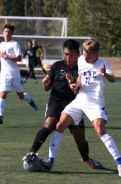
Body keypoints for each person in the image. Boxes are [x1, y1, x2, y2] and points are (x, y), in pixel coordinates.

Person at [23, 39, 102, 171]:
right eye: (65, 54)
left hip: (75, 104)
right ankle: (31, 153)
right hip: (56, 101)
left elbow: (81, 91)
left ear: (77, 54)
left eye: (71, 55)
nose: (68, 57)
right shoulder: (57, 66)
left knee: (80, 139)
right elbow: (46, 88)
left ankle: (86, 158)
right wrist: (46, 83)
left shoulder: (82, 68)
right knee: (50, 123)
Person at [55, 38, 121, 177]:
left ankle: (120, 163)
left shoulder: (103, 64)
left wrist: (105, 73)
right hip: (81, 99)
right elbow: (81, 78)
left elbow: (113, 79)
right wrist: (75, 84)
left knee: (100, 130)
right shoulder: (81, 60)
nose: (85, 58)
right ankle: (50, 160)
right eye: (84, 54)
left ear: (97, 55)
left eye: (89, 56)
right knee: (60, 125)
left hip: (95, 102)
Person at [0, 24, 38, 124]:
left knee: (20, 96)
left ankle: (29, 100)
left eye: (9, 31)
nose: (7, 33)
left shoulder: (14, 44)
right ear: (2, 33)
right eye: (5, 31)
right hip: (4, 74)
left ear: (12, 33)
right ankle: (0, 115)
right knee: (2, 94)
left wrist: (6, 56)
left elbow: (19, 58)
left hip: (15, 74)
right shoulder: (1, 45)